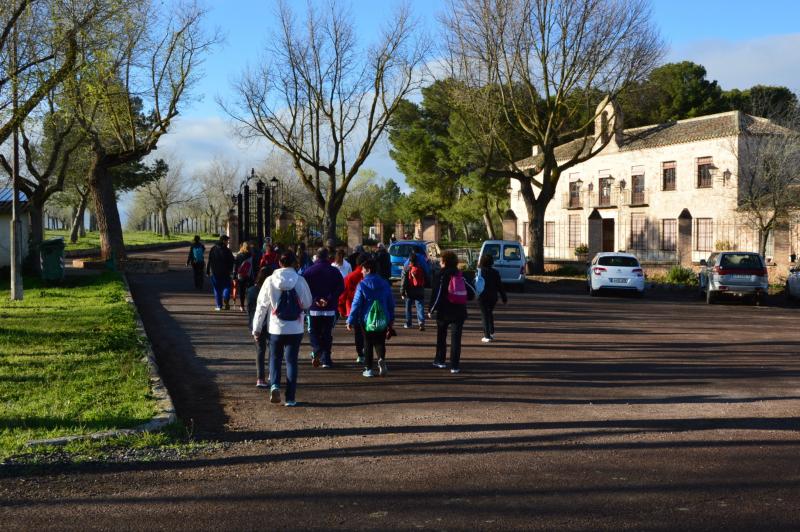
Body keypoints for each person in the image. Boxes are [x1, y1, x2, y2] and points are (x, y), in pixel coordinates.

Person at [252, 252, 313, 406]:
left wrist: (257, 328)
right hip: (295, 328)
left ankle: (275, 385)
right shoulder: (300, 280)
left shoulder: (270, 280)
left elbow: (261, 307)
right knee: (291, 361)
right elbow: (307, 303)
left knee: (275, 358)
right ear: (294, 263)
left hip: (276, 328)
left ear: (279, 263)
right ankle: (291, 398)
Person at [346, 258, 395, 378]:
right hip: (383, 317)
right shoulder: (384, 283)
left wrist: (350, 320)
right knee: (380, 342)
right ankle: (381, 359)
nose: (361, 272)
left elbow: (356, 304)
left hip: (366, 318)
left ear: (368, 270)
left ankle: (368, 369)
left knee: (367, 343)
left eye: (363, 270)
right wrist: (391, 319)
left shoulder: (362, 285)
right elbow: (391, 303)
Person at [428, 250, 475, 374]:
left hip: (444, 311)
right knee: (456, 339)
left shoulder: (440, 275)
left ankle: (440, 360)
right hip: (459, 311)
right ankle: (455, 366)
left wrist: (431, 309)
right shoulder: (461, 274)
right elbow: (471, 293)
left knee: (441, 337)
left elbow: (436, 294)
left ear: (444, 262)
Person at [302, 248, 345, 368]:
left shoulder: (309, 271)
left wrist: (316, 299)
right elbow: (341, 287)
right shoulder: (334, 271)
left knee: (313, 331)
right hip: (330, 308)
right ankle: (326, 359)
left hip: (314, 307)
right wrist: (329, 298)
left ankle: (317, 349)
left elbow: (304, 288)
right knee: (327, 333)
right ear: (327, 257)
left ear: (316, 256)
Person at [247, 266, 274, 388]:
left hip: (255, 323)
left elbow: (250, 310)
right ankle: (272, 373)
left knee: (260, 350)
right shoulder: (273, 289)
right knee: (273, 350)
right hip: (271, 323)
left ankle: (260, 378)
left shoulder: (251, 290)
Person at [339, 253, 367, 364]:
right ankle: (367, 351)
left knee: (358, 333)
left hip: (353, 309)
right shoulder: (369, 275)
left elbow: (343, 295)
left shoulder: (350, 277)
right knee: (367, 333)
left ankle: (360, 354)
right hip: (368, 308)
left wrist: (341, 309)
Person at [476, 254, 507, 343]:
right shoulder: (495, 272)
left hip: (482, 296)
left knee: (484, 314)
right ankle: (491, 332)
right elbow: (500, 286)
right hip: (493, 297)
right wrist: (504, 298)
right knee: (489, 313)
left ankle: (487, 335)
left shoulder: (479, 271)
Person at [206, 235, 235, 311]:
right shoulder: (227, 250)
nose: (228, 242)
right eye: (227, 241)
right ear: (223, 241)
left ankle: (219, 305)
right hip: (225, 272)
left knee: (217, 289)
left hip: (215, 272)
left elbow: (209, 260)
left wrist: (207, 271)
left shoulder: (213, 249)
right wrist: (231, 270)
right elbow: (232, 261)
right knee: (227, 286)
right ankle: (226, 298)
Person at [400, 252, 426, 331]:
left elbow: (403, 282)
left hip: (410, 291)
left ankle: (409, 323)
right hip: (420, 290)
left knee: (408, 308)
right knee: (420, 307)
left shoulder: (406, 268)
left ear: (409, 260)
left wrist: (402, 292)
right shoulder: (420, 267)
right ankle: (421, 322)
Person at [235, 242, 256, 312]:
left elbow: (235, 267)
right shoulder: (252, 256)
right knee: (250, 291)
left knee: (242, 291)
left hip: (241, 275)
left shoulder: (238, 256)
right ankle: (250, 305)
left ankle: (242, 306)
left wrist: (234, 276)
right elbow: (255, 266)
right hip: (250, 275)